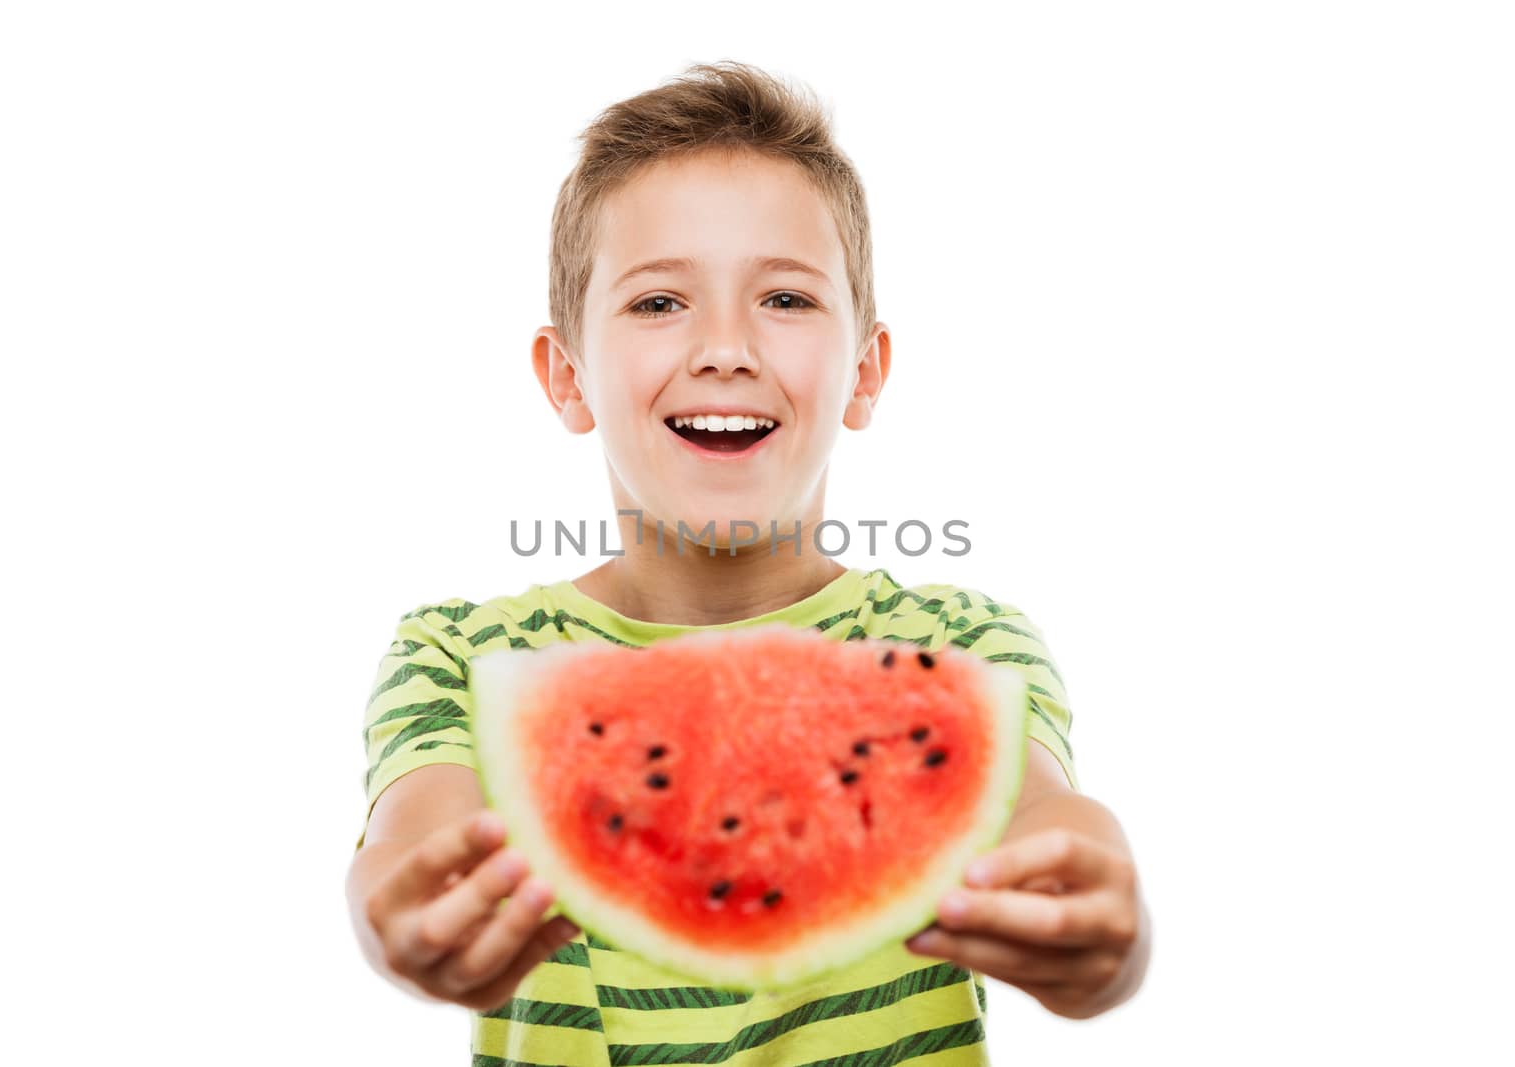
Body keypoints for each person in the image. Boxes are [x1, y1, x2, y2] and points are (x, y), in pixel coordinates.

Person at [345, 59, 1150, 1065]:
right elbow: (414, 839)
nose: (724, 346)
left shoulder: (961, 645)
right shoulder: (464, 655)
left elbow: (1048, 821)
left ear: (864, 372)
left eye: (783, 297)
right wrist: (402, 912)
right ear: (566, 375)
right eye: (656, 304)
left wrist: (1103, 923)